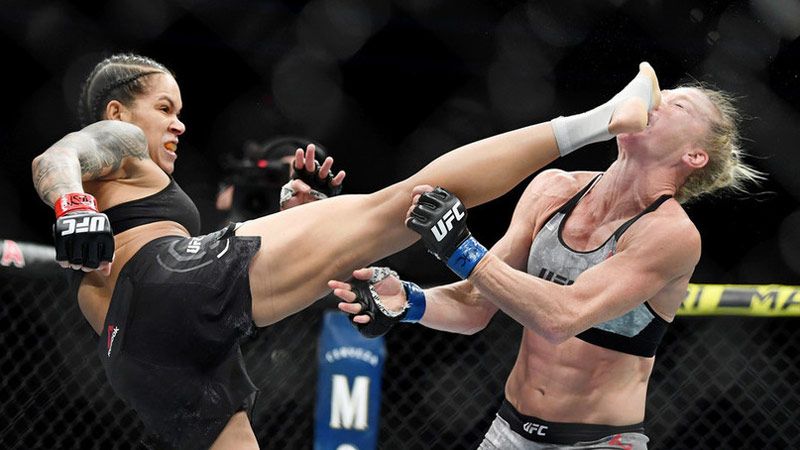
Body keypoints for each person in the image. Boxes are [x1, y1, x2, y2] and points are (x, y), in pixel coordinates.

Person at [32, 53, 658, 449]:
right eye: (164, 107)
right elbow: (56, 157)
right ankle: (604, 119)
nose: (179, 123)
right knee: (407, 203)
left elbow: (193, 274)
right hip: (170, 298)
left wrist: (297, 224)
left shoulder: (130, 190)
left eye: (181, 110)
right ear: (118, 110)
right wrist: (71, 204)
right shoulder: (113, 137)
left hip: (142, 358)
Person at [332, 79, 763, 447]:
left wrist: (460, 248)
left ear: (694, 156)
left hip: (597, 442)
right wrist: (409, 301)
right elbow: (475, 304)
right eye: (659, 93)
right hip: (507, 432)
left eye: (677, 105)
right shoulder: (553, 190)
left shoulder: (670, 235)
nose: (655, 100)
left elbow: (562, 317)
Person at [215, 136, 345, 221]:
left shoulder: (306, 198)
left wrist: (318, 206)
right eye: (281, 172)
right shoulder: (249, 187)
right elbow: (222, 203)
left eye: (298, 174)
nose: (290, 181)